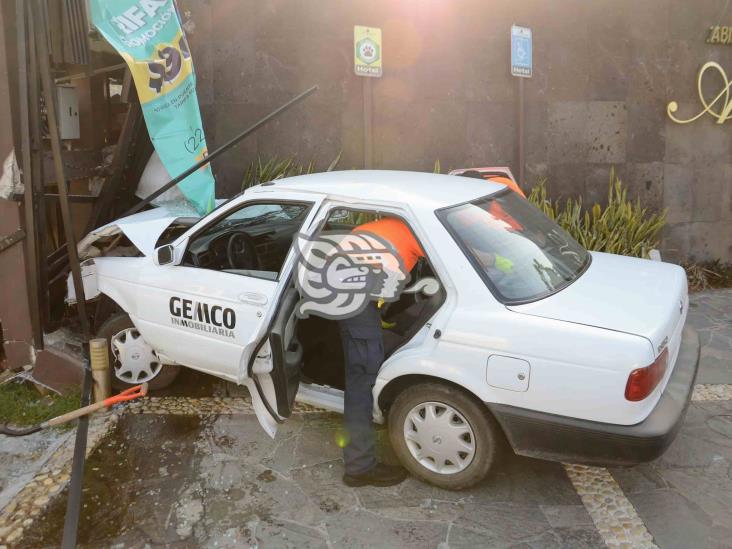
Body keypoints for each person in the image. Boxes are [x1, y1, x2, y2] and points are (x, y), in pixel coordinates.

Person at [338, 217, 425, 487]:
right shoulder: (425, 228)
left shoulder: (395, 223)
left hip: (343, 287)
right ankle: (359, 468)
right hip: (354, 296)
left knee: (361, 365)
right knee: (362, 379)